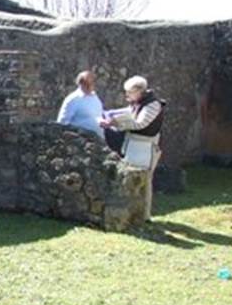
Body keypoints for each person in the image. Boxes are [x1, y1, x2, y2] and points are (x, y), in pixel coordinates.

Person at [99, 75, 165, 218]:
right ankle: (129, 214)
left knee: (145, 181)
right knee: (128, 178)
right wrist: (110, 115)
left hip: (146, 148)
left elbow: (140, 124)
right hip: (132, 145)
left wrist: (114, 122)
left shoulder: (153, 105)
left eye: (130, 92)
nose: (127, 95)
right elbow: (129, 114)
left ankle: (144, 215)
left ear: (139, 91)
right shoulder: (138, 102)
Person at [57, 70, 104, 138]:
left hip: (99, 140)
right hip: (82, 141)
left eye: (92, 83)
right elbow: (62, 123)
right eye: (86, 83)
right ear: (80, 83)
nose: (89, 86)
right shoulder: (73, 99)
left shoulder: (95, 98)